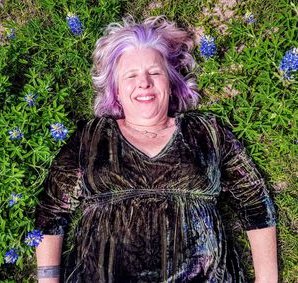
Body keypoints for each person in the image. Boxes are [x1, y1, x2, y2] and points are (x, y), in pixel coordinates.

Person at [35, 16, 278, 283]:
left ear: (171, 81)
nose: (144, 83)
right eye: (131, 75)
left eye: (154, 72)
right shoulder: (90, 138)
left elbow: (254, 201)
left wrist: (267, 278)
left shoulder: (206, 133)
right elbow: (50, 212)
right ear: (115, 89)